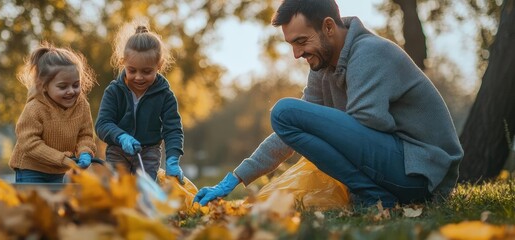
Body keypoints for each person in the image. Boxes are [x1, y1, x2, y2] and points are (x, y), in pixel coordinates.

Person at [194, 0, 464, 208]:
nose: (297, 54)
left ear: (328, 27)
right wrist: (234, 178)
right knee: (287, 117)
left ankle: (372, 194)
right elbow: (289, 134)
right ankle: (376, 197)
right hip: (398, 167)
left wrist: (322, 126)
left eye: (301, 42)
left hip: (421, 173)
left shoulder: (370, 53)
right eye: (291, 44)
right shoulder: (322, 68)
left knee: (284, 111)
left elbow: (371, 125)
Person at [95, 22, 185, 184]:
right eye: (132, 70)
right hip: (118, 150)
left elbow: (173, 129)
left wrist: (172, 159)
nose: (138, 77)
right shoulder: (114, 91)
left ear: (159, 66)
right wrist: (121, 137)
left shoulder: (165, 95)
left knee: (145, 189)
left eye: (147, 71)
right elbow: (102, 124)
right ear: (123, 63)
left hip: (148, 152)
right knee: (117, 190)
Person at [9, 42, 99, 183]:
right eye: (63, 86)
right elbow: (29, 142)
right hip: (31, 169)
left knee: (54, 204)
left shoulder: (82, 106)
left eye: (76, 85)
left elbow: (85, 135)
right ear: (44, 86)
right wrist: (61, 159)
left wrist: (85, 152)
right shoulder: (35, 108)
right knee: (34, 205)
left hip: (57, 170)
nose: (71, 91)